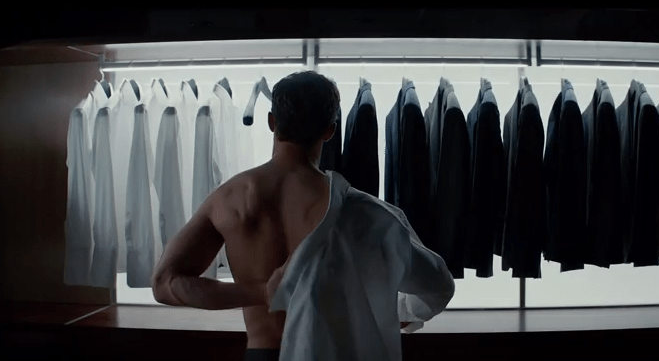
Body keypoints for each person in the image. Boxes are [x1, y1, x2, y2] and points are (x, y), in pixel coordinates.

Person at [152, 71, 455, 361]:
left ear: (272, 122)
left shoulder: (230, 198)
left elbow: (165, 284)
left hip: (263, 353)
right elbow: (439, 285)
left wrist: (262, 292)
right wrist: (398, 311)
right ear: (330, 130)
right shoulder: (363, 212)